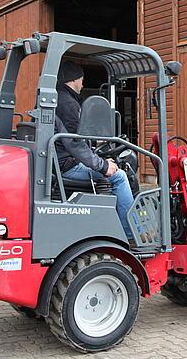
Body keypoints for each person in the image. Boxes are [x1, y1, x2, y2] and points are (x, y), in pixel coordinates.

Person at [54, 60, 135, 238]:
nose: (83, 84)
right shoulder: (67, 103)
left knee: (111, 168)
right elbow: (73, 142)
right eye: (82, 79)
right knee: (120, 176)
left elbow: (72, 136)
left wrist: (93, 145)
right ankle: (130, 234)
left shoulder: (57, 98)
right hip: (67, 166)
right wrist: (103, 165)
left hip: (59, 162)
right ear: (74, 79)